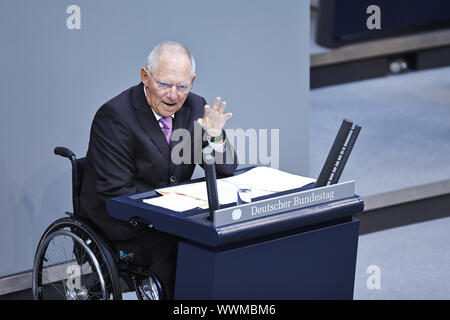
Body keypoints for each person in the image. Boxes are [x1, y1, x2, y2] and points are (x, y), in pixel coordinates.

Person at [80, 41, 238, 298]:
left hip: (172, 214)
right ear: (145, 77)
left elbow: (227, 168)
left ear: (192, 82)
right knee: (180, 249)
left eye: (182, 86)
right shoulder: (114, 117)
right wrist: (172, 206)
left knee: (225, 240)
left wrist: (216, 136)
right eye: (164, 84)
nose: (173, 95)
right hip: (123, 218)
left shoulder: (196, 107)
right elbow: (116, 193)